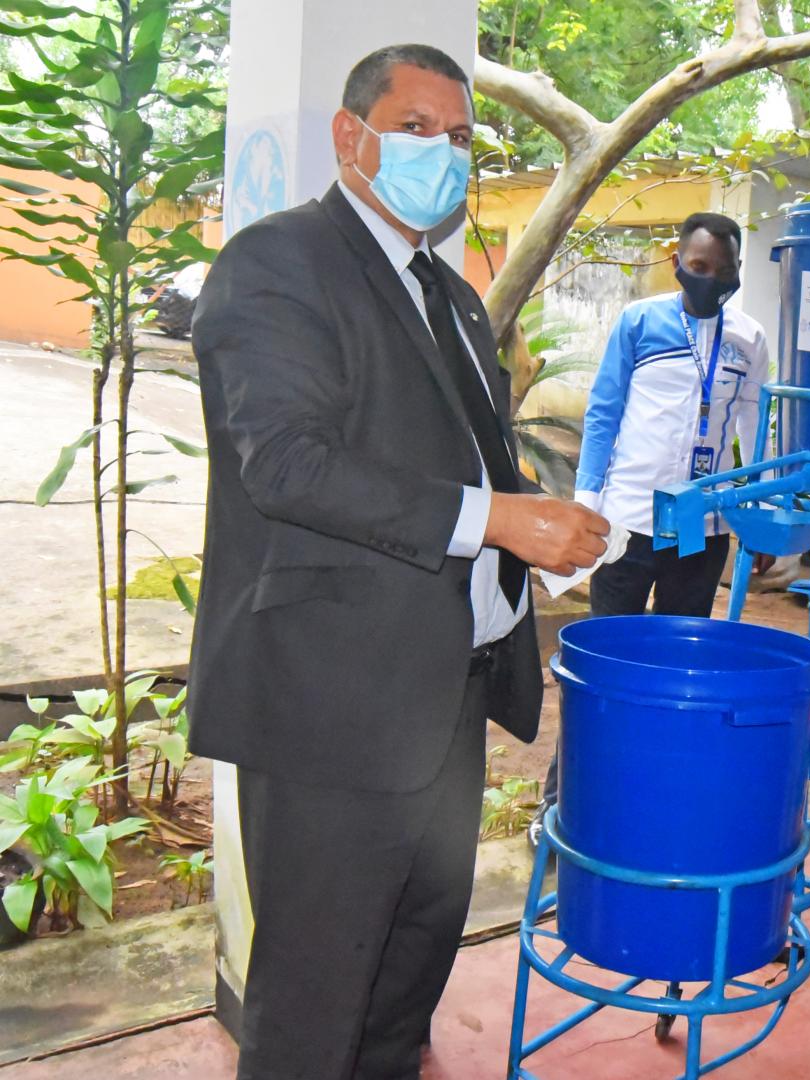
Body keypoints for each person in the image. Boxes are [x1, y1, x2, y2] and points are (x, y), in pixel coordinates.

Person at [187, 44, 608, 1080]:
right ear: (351, 136)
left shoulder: (451, 296)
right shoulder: (280, 262)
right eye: (417, 129)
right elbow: (287, 464)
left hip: (441, 699)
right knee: (316, 1000)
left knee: (403, 982)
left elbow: (460, 451)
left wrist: (536, 531)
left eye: (460, 138)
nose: (445, 155)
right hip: (335, 699)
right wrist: (498, 521)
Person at [528, 212, 771, 842]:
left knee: (681, 667)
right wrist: (588, 504)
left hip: (703, 528)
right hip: (629, 522)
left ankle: (659, 797)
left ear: (738, 271)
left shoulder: (748, 338)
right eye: (698, 267)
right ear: (677, 264)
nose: (709, 279)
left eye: (723, 269)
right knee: (604, 663)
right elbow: (605, 412)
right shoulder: (640, 323)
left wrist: (757, 511)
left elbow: (753, 427)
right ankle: (563, 804)